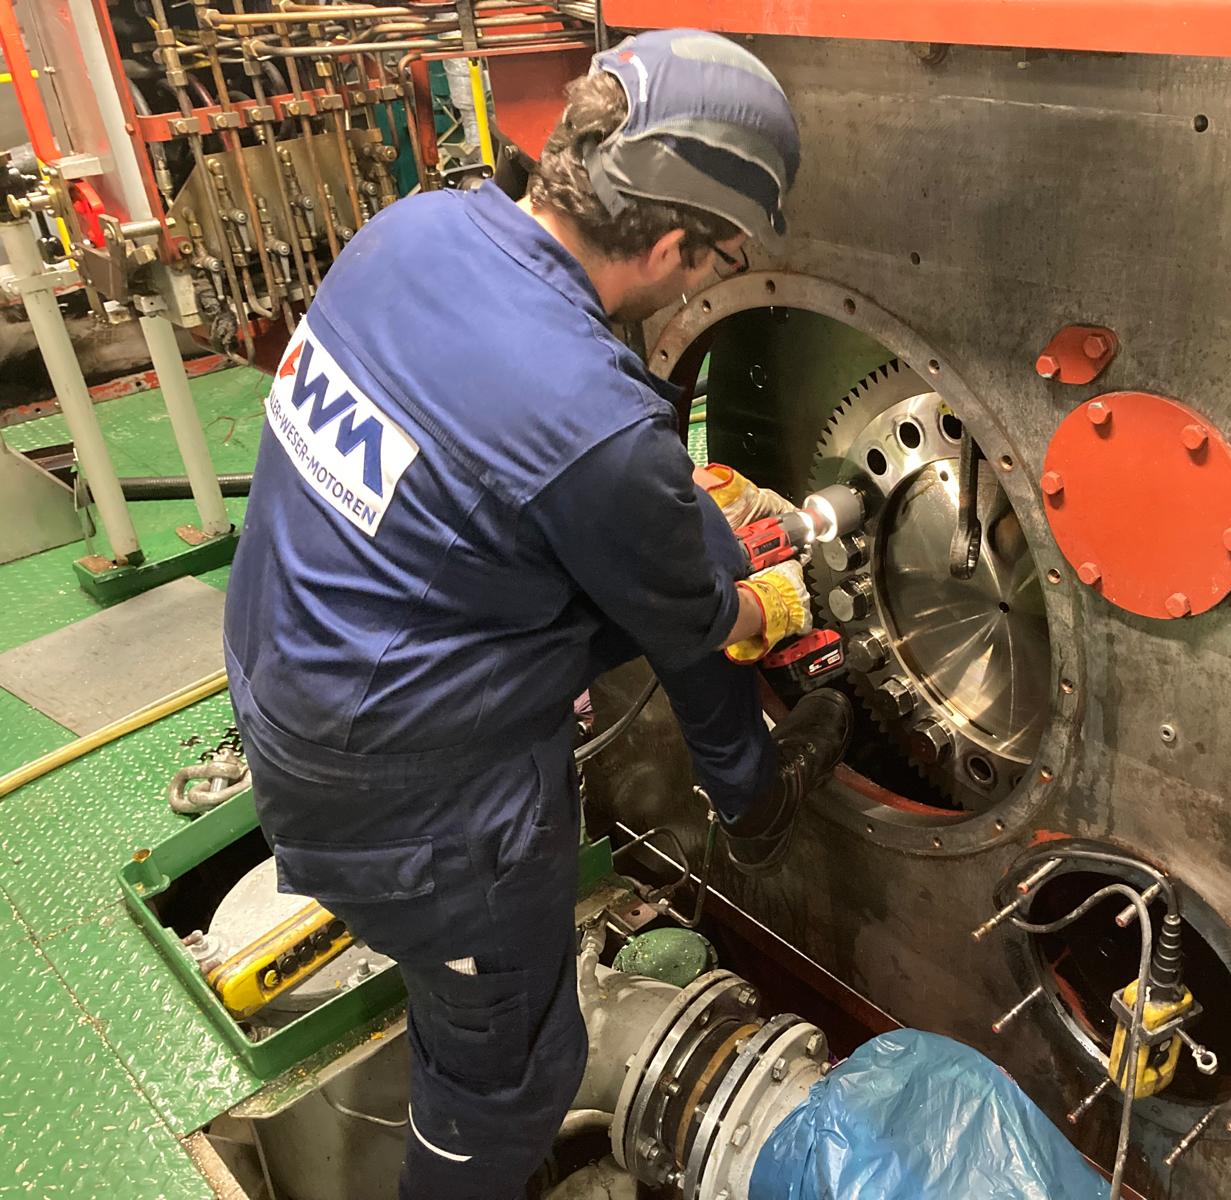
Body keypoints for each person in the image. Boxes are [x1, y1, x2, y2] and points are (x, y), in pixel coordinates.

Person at [222, 29, 851, 1200]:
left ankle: (729, 773)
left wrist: (682, 535)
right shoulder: (594, 428)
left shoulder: (409, 231)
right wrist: (758, 658)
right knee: (507, 1074)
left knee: (683, 544)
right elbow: (699, 629)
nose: (708, 277)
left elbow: (522, 462)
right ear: (669, 245)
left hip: (289, 686)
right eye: (719, 257)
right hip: (411, 814)